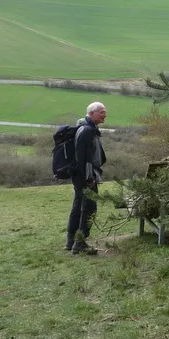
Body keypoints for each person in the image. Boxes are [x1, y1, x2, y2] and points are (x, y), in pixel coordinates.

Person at [67, 101, 106, 255]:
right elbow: (83, 158)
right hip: (85, 176)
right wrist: (89, 179)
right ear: (91, 113)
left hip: (79, 176)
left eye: (105, 112)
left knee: (78, 206)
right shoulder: (87, 131)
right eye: (101, 112)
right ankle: (80, 243)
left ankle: (71, 241)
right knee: (89, 208)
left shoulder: (84, 128)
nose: (105, 114)